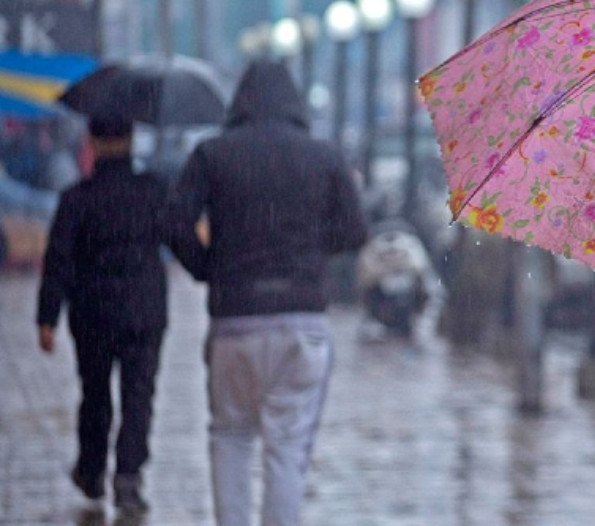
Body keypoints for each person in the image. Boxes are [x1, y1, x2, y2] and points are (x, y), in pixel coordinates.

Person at [167, 60, 367, 526]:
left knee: (230, 437)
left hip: (234, 320)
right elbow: (356, 232)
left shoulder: (213, 154)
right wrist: (312, 257)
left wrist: (209, 269)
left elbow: (174, 223)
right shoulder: (325, 156)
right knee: (288, 447)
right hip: (303, 324)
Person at [35, 114, 167, 514]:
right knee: (138, 395)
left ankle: (91, 470)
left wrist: (47, 318)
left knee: (94, 394)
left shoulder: (77, 198)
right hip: (144, 312)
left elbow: (58, 261)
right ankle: (128, 476)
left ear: (91, 140)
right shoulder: (153, 191)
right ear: (131, 138)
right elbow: (180, 237)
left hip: (91, 314)